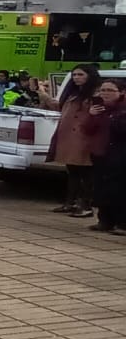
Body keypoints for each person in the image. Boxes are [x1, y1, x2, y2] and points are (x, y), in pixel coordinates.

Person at [47, 63, 103, 217]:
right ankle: (69, 202)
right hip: (69, 137)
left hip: (84, 137)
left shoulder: (95, 93)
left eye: (81, 75)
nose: (76, 78)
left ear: (90, 76)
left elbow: (99, 116)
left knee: (86, 173)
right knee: (72, 171)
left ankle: (85, 205)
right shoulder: (73, 92)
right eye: (74, 75)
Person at [90, 79, 126, 234]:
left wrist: (111, 118)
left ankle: (123, 223)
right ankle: (104, 220)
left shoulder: (122, 109)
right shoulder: (99, 108)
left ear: (121, 92)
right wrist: (92, 115)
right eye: (103, 90)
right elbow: (87, 129)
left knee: (119, 189)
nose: (105, 93)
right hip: (101, 152)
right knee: (101, 187)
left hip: (120, 153)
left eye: (110, 90)